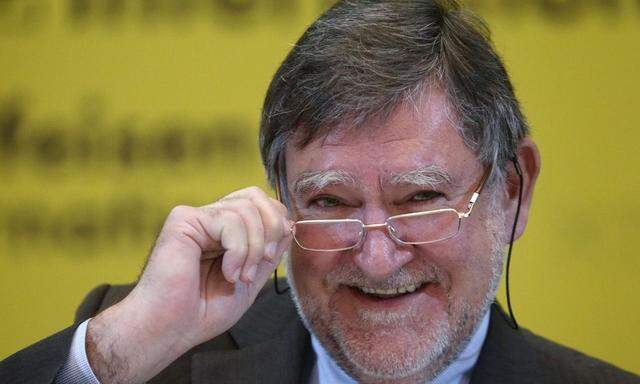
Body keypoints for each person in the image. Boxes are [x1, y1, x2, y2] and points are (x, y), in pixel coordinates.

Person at [1, 1, 638, 383]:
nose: (377, 257)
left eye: (420, 199)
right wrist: (120, 353)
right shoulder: (158, 359)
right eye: (329, 203)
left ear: (512, 190)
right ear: (278, 198)